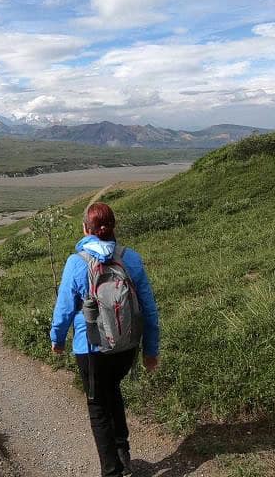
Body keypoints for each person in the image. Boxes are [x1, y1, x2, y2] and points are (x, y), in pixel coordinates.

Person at [50, 202, 160, 477]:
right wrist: (150, 350)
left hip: (91, 349)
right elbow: (148, 308)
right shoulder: (130, 258)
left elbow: (64, 309)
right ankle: (124, 458)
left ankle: (111, 471)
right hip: (126, 346)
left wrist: (58, 339)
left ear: (86, 229)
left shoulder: (77, 262)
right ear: (113, 227)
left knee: (98, 406)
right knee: (113, 390)